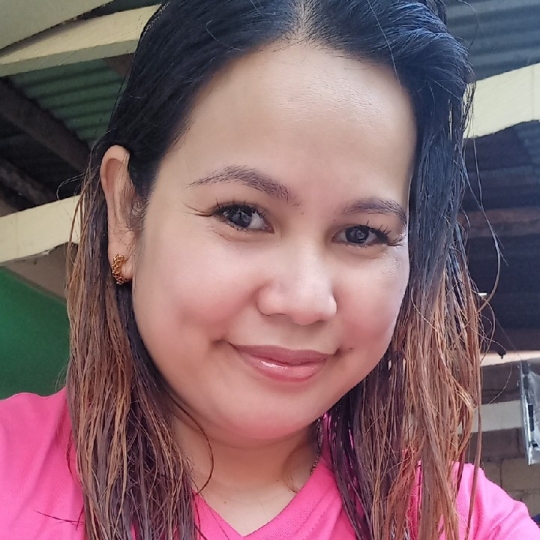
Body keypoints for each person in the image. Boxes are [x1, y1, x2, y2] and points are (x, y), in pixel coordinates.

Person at [1, 0, 538, 538]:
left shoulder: (464, 523)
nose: (304, 300)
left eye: (361, 233)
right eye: (242, 215)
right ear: (127, 213)